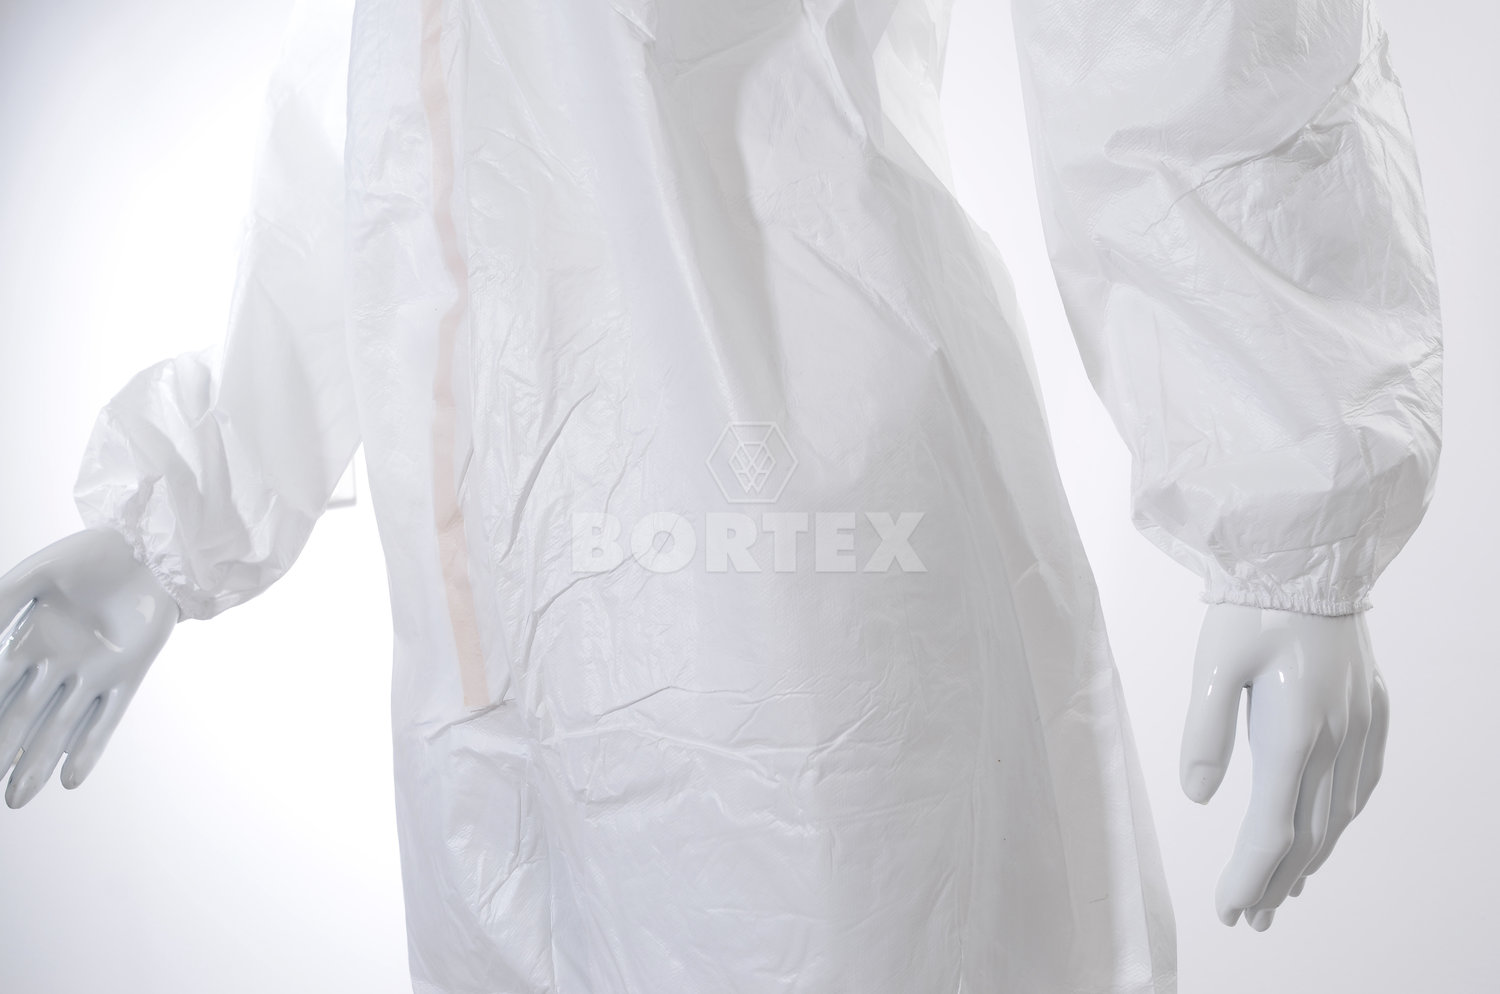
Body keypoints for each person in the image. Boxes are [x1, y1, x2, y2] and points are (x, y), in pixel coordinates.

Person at [0, 0, 1440, 990]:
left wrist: (1288, 484)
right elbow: (394, 107)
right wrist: (185, 508)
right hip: (480, 625)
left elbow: (1185, 29)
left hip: (790, 585)